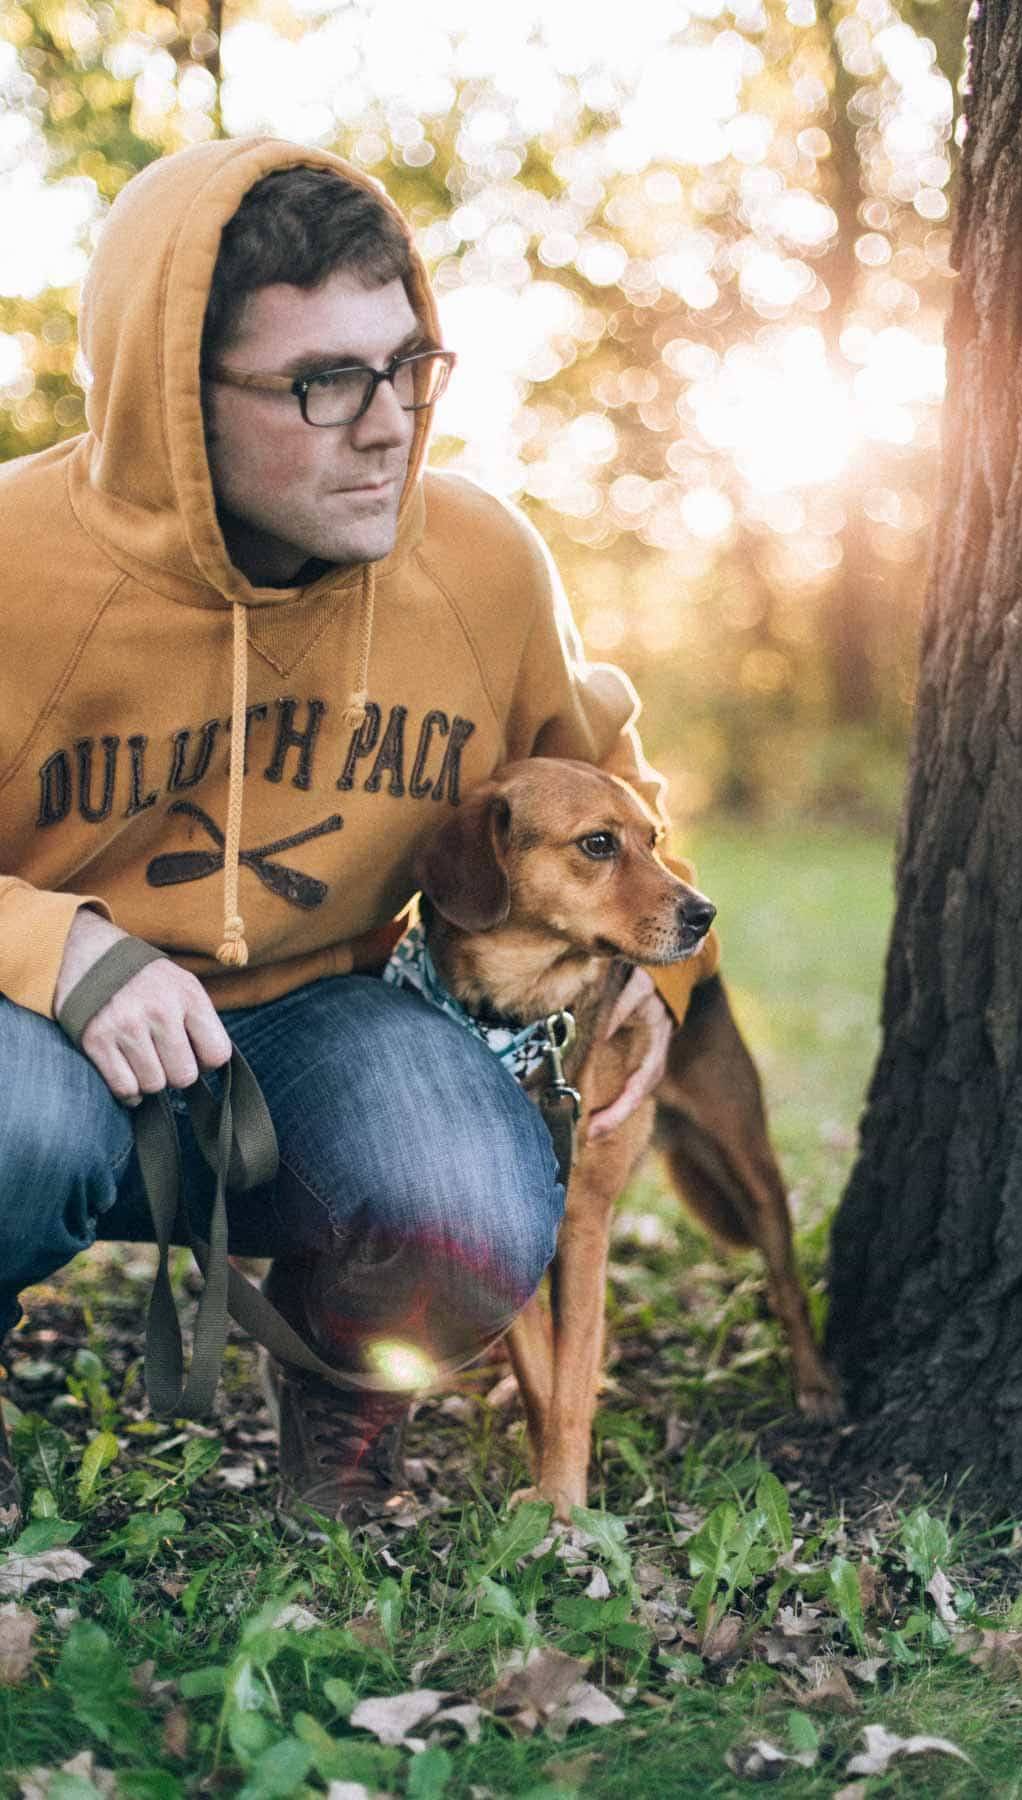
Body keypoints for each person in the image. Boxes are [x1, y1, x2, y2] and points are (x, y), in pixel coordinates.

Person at [0, 138, 717, 1522]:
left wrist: (651, 971)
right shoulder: (14, 567)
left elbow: (611, 797)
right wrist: (67, 954)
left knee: (473, 1195)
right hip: (37, 1026)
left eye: (409, 366)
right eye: (324, 382)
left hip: (321, 1027)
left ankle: (340, 1391)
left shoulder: (481, 562)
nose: (388, 422)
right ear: (171, 400)